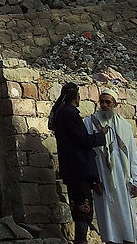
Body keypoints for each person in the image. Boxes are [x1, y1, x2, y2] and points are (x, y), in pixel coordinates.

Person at [49, 82, 110, 243]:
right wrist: (100, 135)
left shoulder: (61, 113)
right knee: (83, 209)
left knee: (78, 207)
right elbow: (82, 140)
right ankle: (80, 240)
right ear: (76, 97)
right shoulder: (70, 114)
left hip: (71, 169)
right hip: (79, 169)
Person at [83, 88, 137, 244]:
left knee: (126, 221)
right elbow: (86, 153)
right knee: (108, 222)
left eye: (108, 102)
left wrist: (136, 181)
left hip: (123, 180)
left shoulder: (125, 126)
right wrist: (93, 180)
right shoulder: (90, 123)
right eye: (101, 101)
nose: (104, 105)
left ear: (115, 104)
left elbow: (132, 156)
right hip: (102, 178)